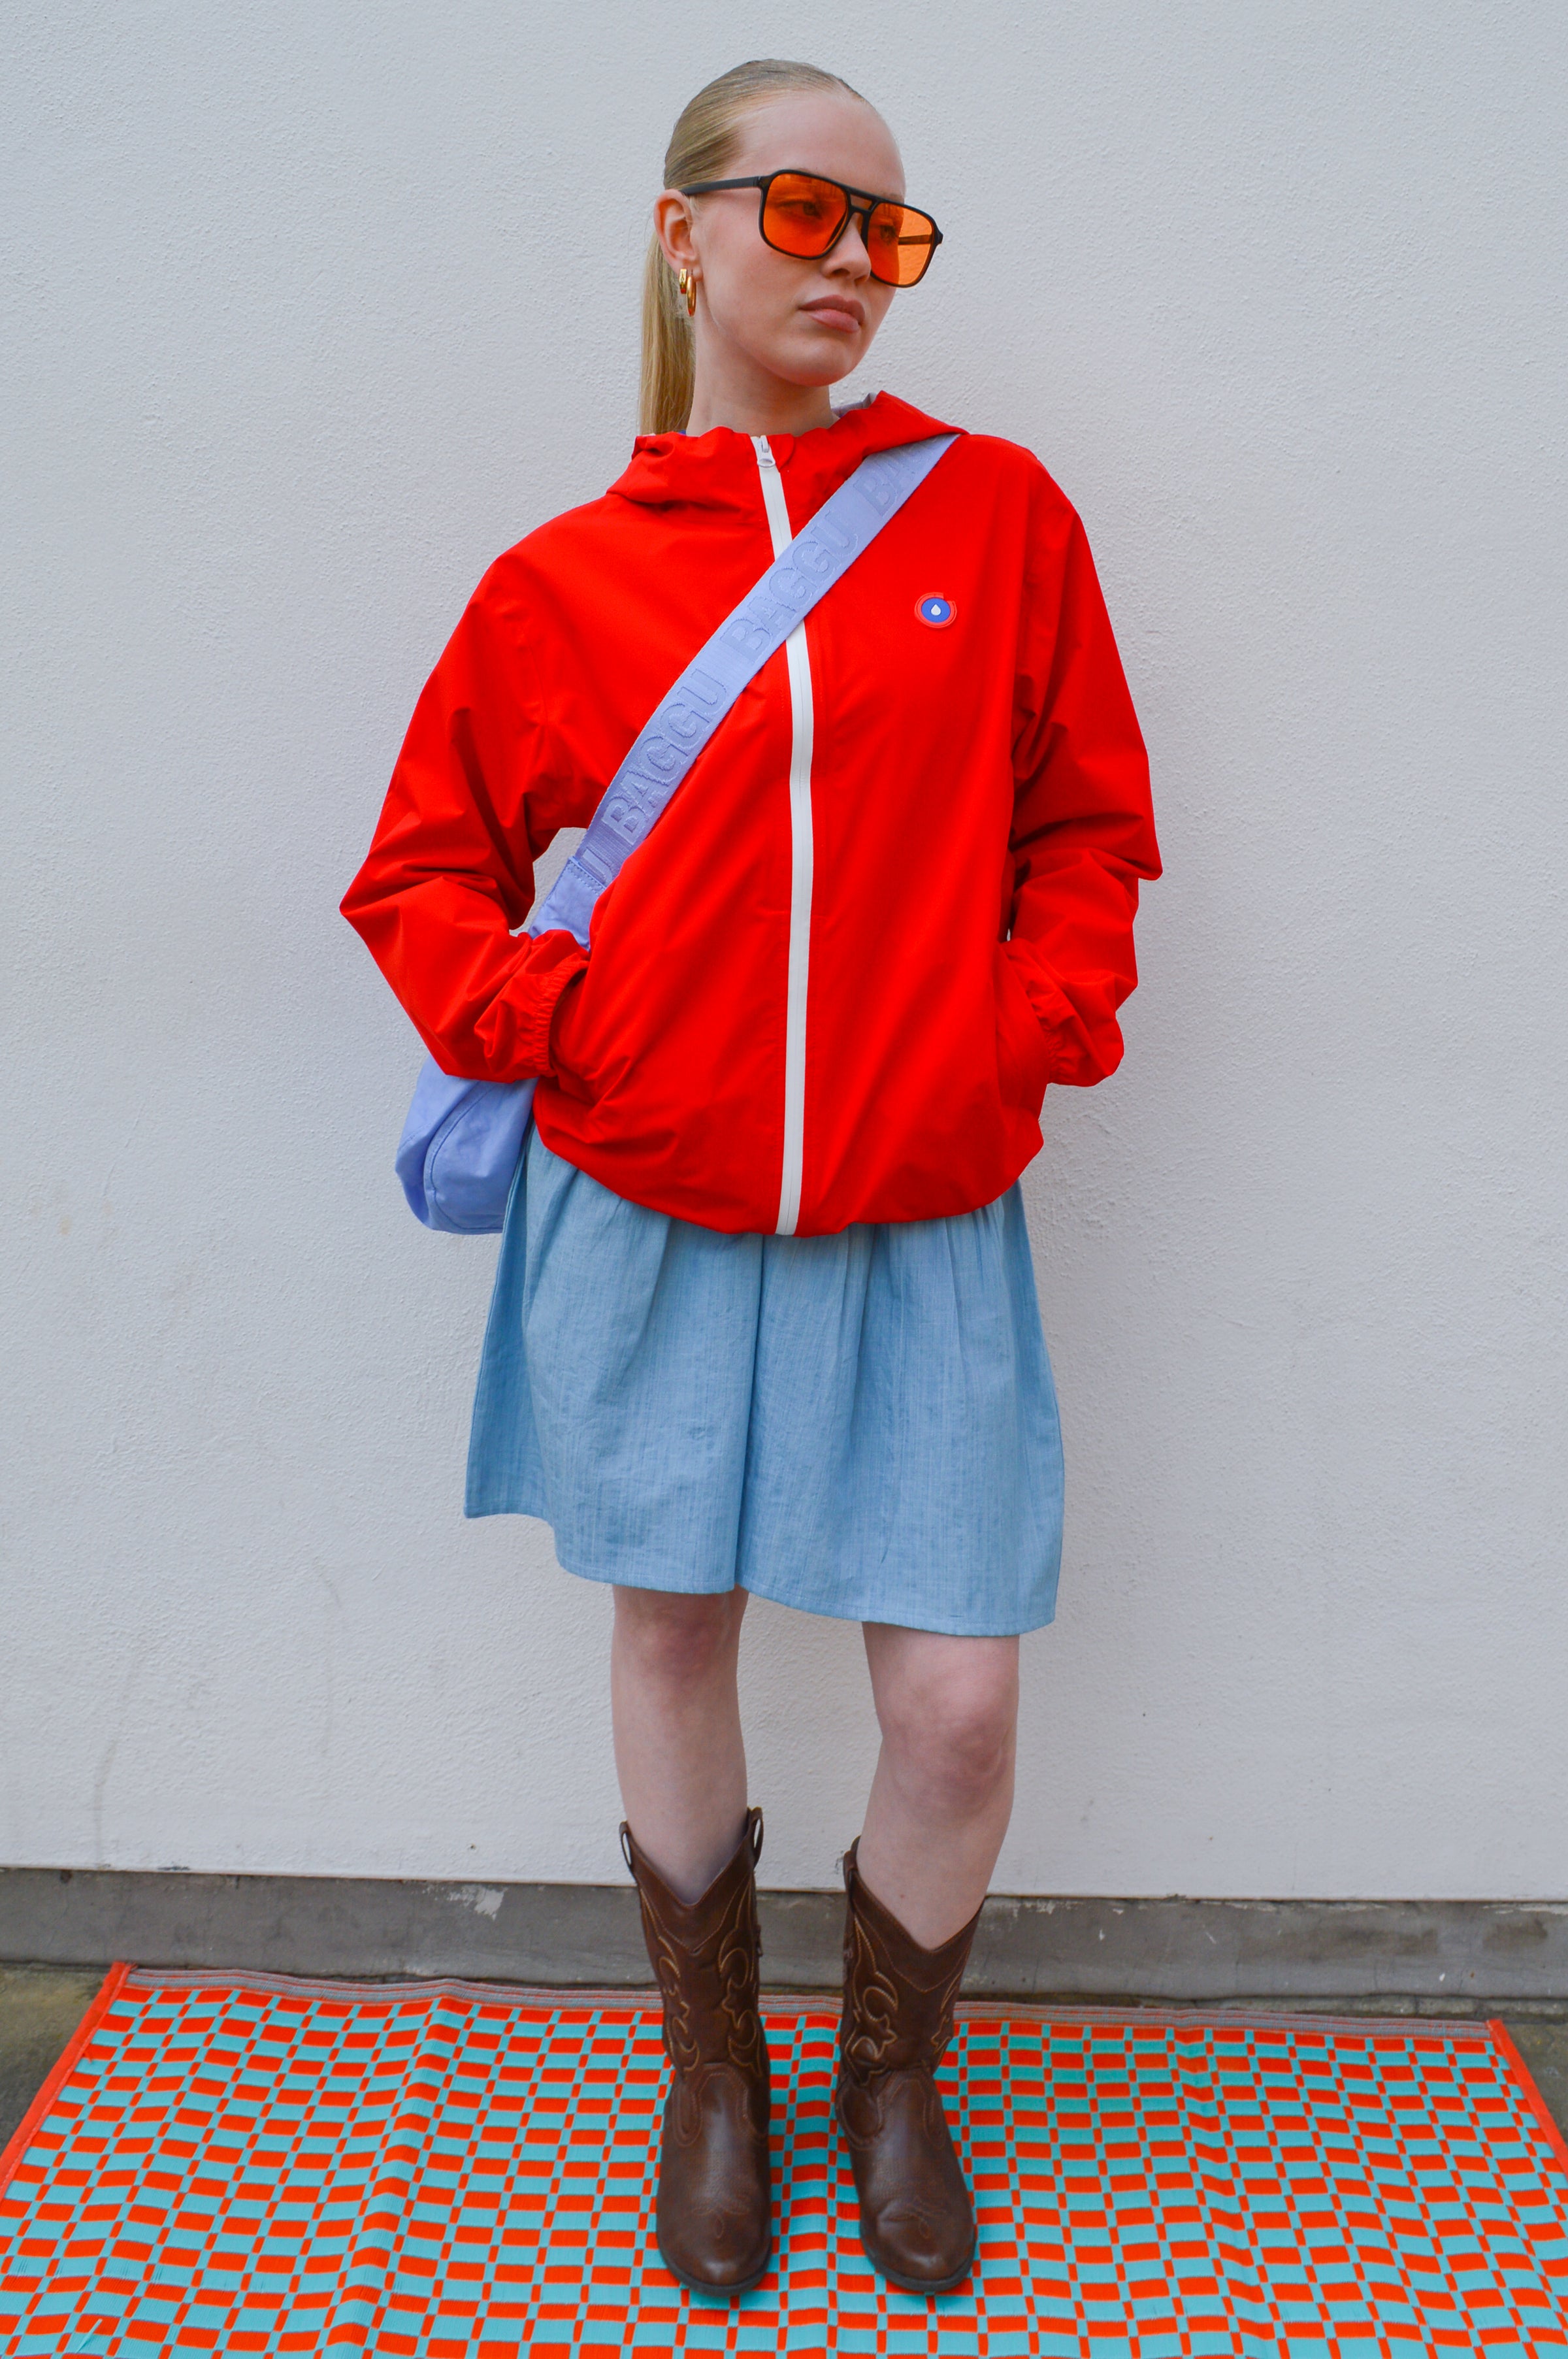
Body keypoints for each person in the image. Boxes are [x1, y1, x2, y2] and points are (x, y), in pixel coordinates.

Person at [343, 56, 1158, 2301]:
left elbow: (1088, 831)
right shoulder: (563, 584)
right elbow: (421, 875)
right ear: (682, 235)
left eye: (889, 230)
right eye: (807, 210)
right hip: (657, 1209)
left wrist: (1016, 1036)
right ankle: (718, 2073)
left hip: (921, 1206)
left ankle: (893, 2073)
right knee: (673, 1627)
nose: (854, 264)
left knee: (958, 1702)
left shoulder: (996, 521)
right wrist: (565, 1025)